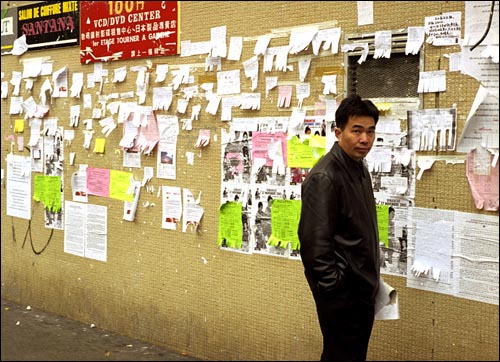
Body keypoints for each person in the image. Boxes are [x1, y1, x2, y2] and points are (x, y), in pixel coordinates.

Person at [298, 94, 381, 362]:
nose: (364, 139)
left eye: (370, 131)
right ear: (338, 132)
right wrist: (336, 290)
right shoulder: (326, 176)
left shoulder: (358, 168)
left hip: (361, 289)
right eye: (356, 131)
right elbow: (314, 245)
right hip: (343, 295)